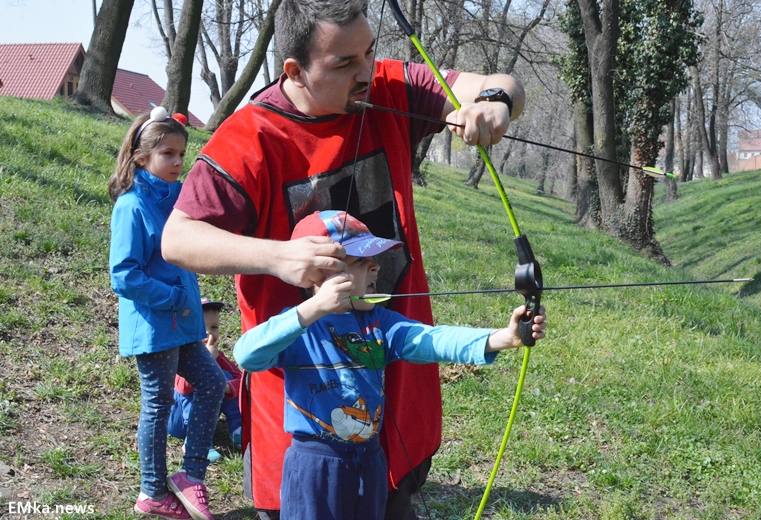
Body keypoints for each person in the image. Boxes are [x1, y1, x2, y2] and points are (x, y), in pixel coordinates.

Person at [160, 1, 525, 517]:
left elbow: (500, 83)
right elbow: (178, 238)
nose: (365, 73)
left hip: (391, 387)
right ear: (295, 71)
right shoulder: (251, 137)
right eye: (343, 64)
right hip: (302, 423)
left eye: (369, 52)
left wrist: (493, 102)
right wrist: (279, 256)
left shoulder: (388, 86)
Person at [232, 210, 547, 520]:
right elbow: (248, 355)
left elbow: (431, 339)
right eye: (360, 261)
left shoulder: (379, 324)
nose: (375, 267)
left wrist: (502, 338)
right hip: (316, 465)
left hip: (369, 460)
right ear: (319, 273)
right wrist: (312, 309)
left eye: (373, 259)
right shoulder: (298, 327)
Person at [109, 106, 225, 520]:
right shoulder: (132, 206)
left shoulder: (178, 200)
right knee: (157, 405)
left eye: (181, 153)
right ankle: (152, 492)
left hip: (182, 325)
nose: (178, 162)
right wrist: (174, 298)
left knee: (213, 381)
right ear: (142, 157)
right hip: (155, 325)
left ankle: (190, 476)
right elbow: (124, 275)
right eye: (168, 154)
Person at [168, 298, 243, 463]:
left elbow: (241, 379)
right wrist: (207, 361)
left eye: (214, 327)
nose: (209, 333)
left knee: (224, 376)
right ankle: (195, 441)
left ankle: (237, 429)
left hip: (204, 416)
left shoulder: (219, 356)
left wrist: (226, 387)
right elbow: (182, 388)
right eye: (202, 328)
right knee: (198, 380)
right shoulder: (180, 356)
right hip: (178, 421)